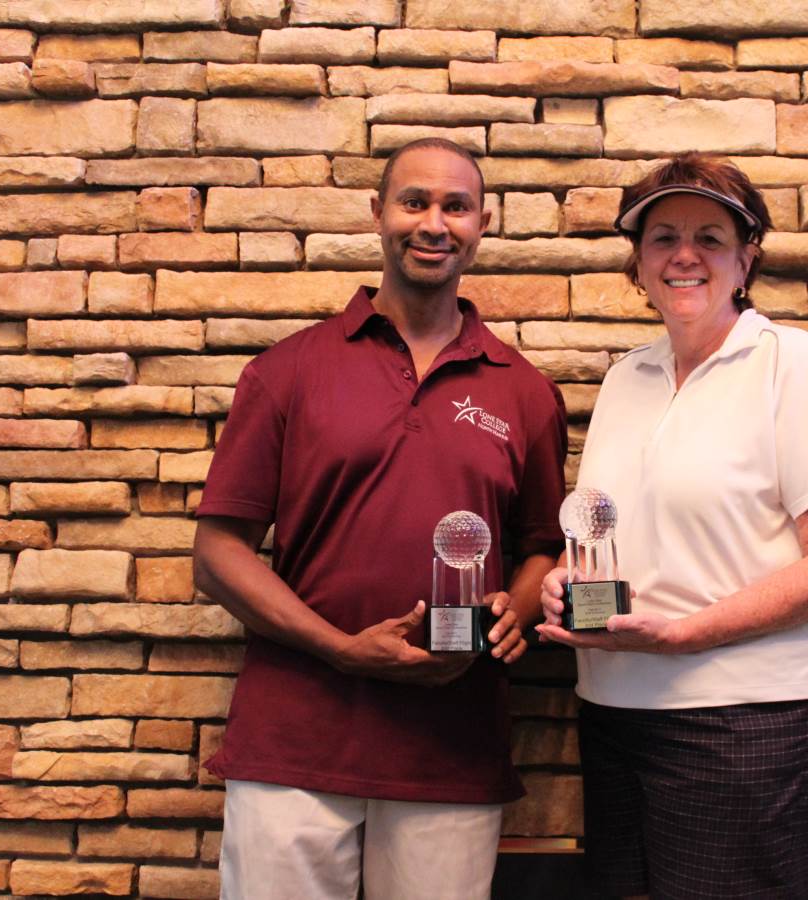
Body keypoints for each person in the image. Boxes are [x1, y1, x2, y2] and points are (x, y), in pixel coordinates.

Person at [192, 138, 568, 900]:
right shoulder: (288, 370)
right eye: (415, 202)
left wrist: (508, 617)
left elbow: (543, 551)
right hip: (294, 743)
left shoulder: (525, 392)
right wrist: (340, 650)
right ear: (378, 215)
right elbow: (217, 552)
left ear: (482, 224)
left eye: (455, 206)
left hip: (450, 750)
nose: (435, 223)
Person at [535, 153, 808, 899]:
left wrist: (689, 633)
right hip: (618, 707)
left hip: (748, 717)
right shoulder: (628, 376)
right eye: (662, 237)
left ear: (746, 258)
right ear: (638, 263)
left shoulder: (792, 363)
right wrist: (568, 582)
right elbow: (612, 534)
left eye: (710, 237)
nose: (683, 255)